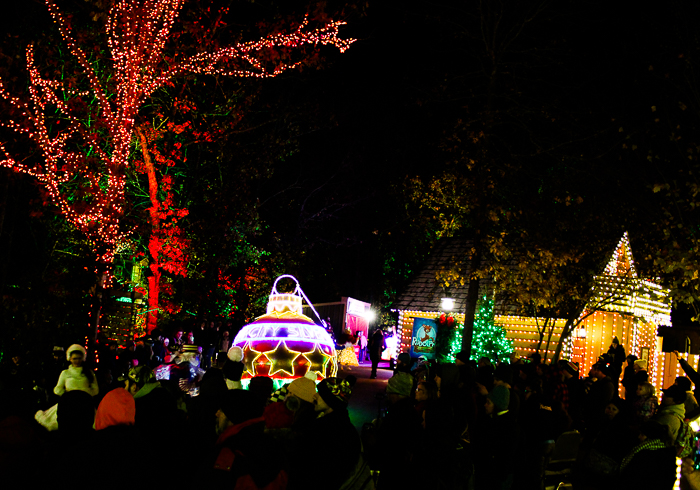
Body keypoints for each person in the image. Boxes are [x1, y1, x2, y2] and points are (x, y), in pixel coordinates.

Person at [35, 344, 98, 431]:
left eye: (79, 358)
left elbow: (95, 389)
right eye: (74, 358)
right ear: (70, 358)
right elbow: (57, 389)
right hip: (68, 404)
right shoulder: (65, 373)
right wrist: (68, 395)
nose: (77, 361)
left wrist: (84, 395)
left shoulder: (89, 373)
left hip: (85, 405)